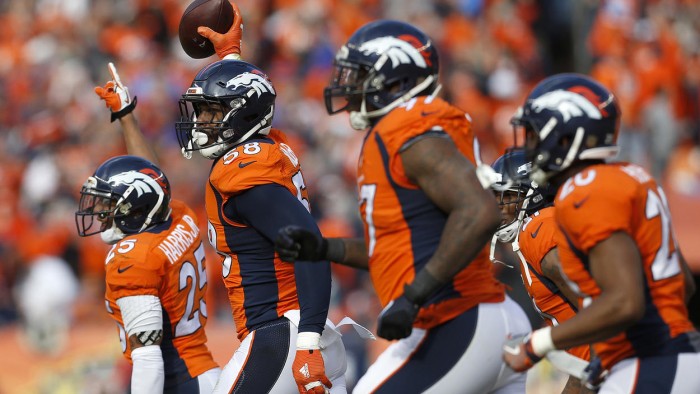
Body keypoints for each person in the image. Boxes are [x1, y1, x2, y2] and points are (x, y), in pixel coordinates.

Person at [275, 20, 531, 393]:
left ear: (396, 81)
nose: (349, 86)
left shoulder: (409, 130)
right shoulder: (399, 133)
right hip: (474, 319)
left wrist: (413, 297)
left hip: (458, 318)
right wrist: (327, 249)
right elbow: (403, 249)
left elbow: (480, 212)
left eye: (360, 76)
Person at [502, 73, 700, 392]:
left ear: (567, 138)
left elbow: (624, 302)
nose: (530, 146)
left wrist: (536, 344)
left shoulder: (583, 191)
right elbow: (683, 285)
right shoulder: (634, 176)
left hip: (643, 363)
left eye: (536, 135)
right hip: (680, 353)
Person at [174, 58, 349, 393]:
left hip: (280, 336)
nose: (199, 123)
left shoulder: (243, 171)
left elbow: (310, 244)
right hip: (297, 330)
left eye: (211, 112)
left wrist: (307, 341)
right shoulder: (265, 147)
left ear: (245, 113)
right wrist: (229, 55)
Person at [75, 154, 221, 393]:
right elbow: (153, 177)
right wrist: (126, 119)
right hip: (203, 372)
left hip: (178, 383)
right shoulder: (180, 215)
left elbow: (148, 358)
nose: (100, 212)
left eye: (108, 204)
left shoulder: (132, 260)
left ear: (133, 206)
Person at [490, 149, 595, 394]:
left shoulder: (538, 229)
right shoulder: (539, 229)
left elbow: (601, 309)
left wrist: (587, 376)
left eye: (506, 196)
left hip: (610, 365)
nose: (498, 207)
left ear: (534, 194)